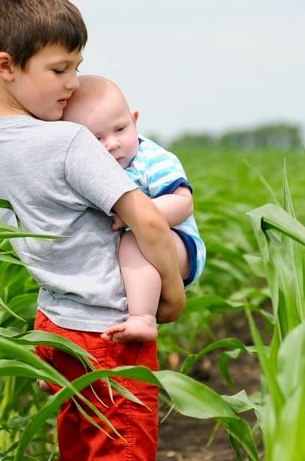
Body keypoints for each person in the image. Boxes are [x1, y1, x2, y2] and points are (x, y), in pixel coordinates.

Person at [0, 0, 185, 461]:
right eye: (60, 70)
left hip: (56, 328)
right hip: (109, 335)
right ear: (6, 66)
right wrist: (171, 294)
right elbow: (148, 221)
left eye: (78, 67)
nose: (74, 84)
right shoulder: (67, 144)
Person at [61, 76, 205, 344]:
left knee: (132, 238)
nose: (112, 143)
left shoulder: (152, 159)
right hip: (136, 257)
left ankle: (144, 319)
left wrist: (135, 217)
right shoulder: (88, 172)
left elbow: (183, 204)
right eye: (96, 138)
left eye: (120, 129)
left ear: (135, 120)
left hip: (179, 246)